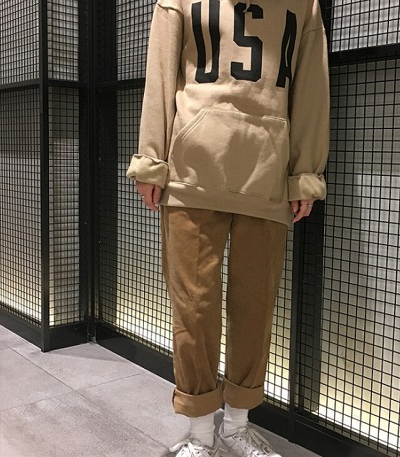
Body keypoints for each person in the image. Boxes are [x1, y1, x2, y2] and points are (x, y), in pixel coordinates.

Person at [126, 0, 329, 455]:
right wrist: (151, 158)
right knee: (193, 306)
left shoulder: (304, 5)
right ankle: (200, 433)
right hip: (191, 170)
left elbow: (311, 90)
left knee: (255, 306)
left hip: (267, 173)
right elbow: (160, 75)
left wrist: (305, 173)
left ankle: (237, 426)